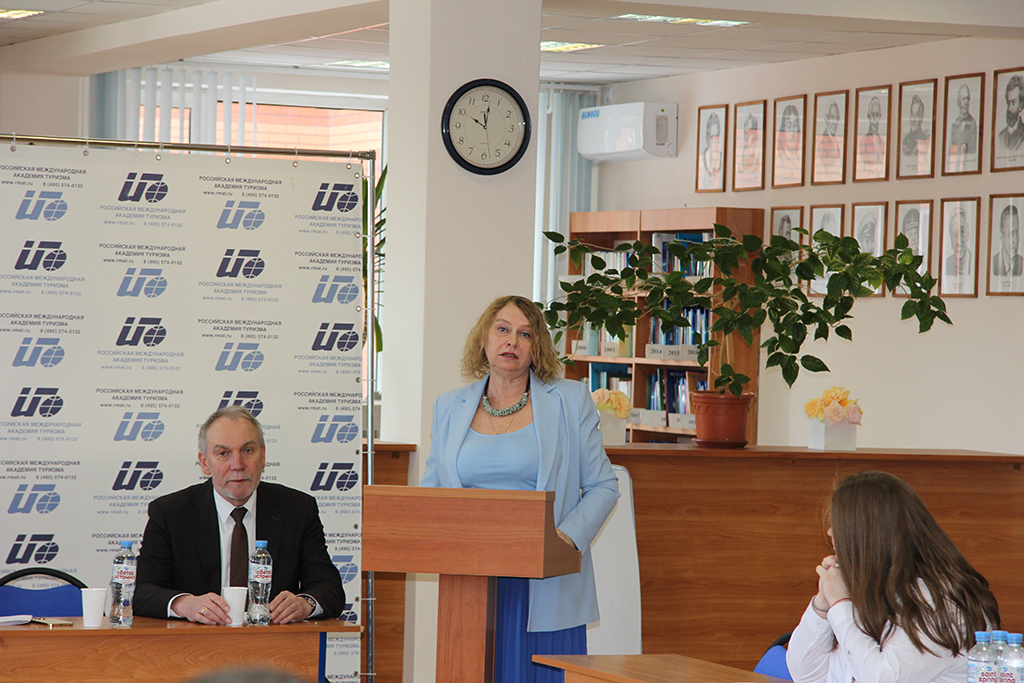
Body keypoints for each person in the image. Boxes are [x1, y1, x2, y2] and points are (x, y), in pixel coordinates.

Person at [421, 295, 619, 683]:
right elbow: (433, 496)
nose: (512, 340)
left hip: (546, 581)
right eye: (503, 329)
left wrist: (562, 540)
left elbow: (603, 486)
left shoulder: (570, 400)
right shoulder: (449, 406)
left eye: (525, 334)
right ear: (484, 339)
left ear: (536, 347)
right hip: (471, 582)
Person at [135, 405, 345, 624]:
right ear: (205, 462)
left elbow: (329, 589)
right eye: (223, 453)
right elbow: (141, 590)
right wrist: (184, 604)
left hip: (273, 640)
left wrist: (305, 604)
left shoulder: (297, 509)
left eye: (247, 451)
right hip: (196, 640)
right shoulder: (170, 513)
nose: (237, 465)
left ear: (263, 456)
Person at [787, 471, 1000, 683]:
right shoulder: (873, 588)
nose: (831, 533)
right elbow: (805, 675)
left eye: (840, 525)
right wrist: (823, 605)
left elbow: (882, 679)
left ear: (865, 536)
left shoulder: (939, 601)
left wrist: (840, 604)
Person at [948, 84, 977, 171]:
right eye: (963, 99)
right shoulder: (954, 124)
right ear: (959, 101)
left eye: (967, 98)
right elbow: (951, 148)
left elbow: (972, 151)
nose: (965, 102)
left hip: (967, 167)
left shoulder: (972, 123)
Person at [901, 94, 930, 172]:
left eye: (917, 115)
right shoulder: (904, 139)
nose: (913, 119)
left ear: (921, 117)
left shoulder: (926, 139)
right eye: (912, 114)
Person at [992, 204, 1023, 277]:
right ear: (1001, 237)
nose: (1016, 240)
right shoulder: (993, 262)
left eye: (1017, 232)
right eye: (1012, 233)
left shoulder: (1022, 263)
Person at [775, 104, 802, 182]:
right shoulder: (779, 162)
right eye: (789, 126)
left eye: (795, 126)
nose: (792, 132)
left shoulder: (800, 159)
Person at [998, 74, 1024, 152]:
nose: (1009, 108)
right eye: (1008, 102)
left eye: (1013, 103)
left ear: (1020, 105)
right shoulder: (1000, 135)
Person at [944, 207, 973, 278]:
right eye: (954, 234)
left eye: (961, 232)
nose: (958, 241)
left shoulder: (974, 261)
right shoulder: (946, 264)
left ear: (967, 233)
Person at [700, 112, 723, 187]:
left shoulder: (722, 157)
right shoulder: (702, 159)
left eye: (717, 135)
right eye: (712, 136)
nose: (715, 139)